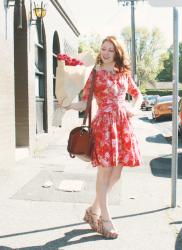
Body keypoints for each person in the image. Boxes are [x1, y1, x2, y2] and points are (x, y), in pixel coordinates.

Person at [65, 36, 143, 239]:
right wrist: (68, 105)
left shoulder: (124, 74)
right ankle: (104, 219)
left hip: (123, 126)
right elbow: (85, 103)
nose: (106, 53)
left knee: (116, 175)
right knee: (104, 174)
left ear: (117, 52)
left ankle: (92, 210)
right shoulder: (95, 74)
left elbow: (138, 94)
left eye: (110, 49)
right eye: (103, 49)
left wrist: (133, 108)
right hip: (105, 127)